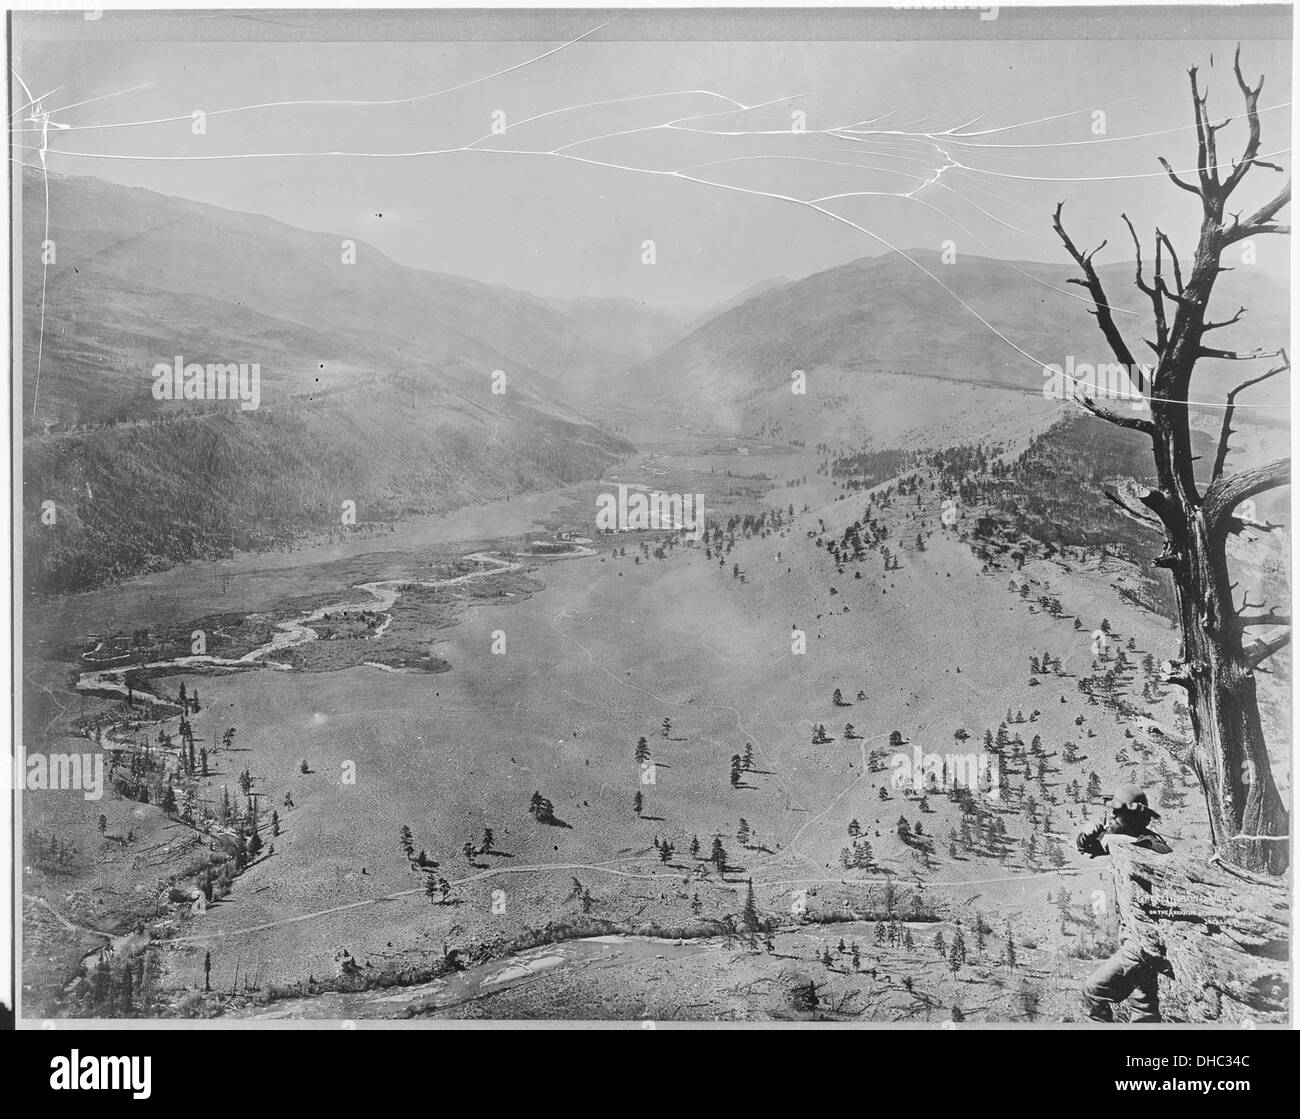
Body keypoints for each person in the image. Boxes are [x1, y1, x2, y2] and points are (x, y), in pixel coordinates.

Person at [1076, 783, 1174, 1023]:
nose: (1111, 817)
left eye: (1116, 813)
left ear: (1130, 816)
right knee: (1144, 1011)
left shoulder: (1151, 844)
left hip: (1143, 944)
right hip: (1136, 938)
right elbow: (1084, 846)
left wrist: (1112, 839)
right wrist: (1088, 835)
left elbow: (1148, 850)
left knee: (1094, 991)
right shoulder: (1122, 838)